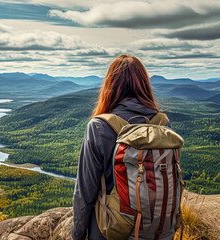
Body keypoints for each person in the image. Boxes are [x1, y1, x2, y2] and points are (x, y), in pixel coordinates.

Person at [72, 54, 172, 240]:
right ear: (144, 85)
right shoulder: (162, 123)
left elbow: (84, 192)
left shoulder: (99, 126)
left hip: (111, 229)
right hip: (157, 228)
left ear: (110, 86)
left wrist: (77, 235)